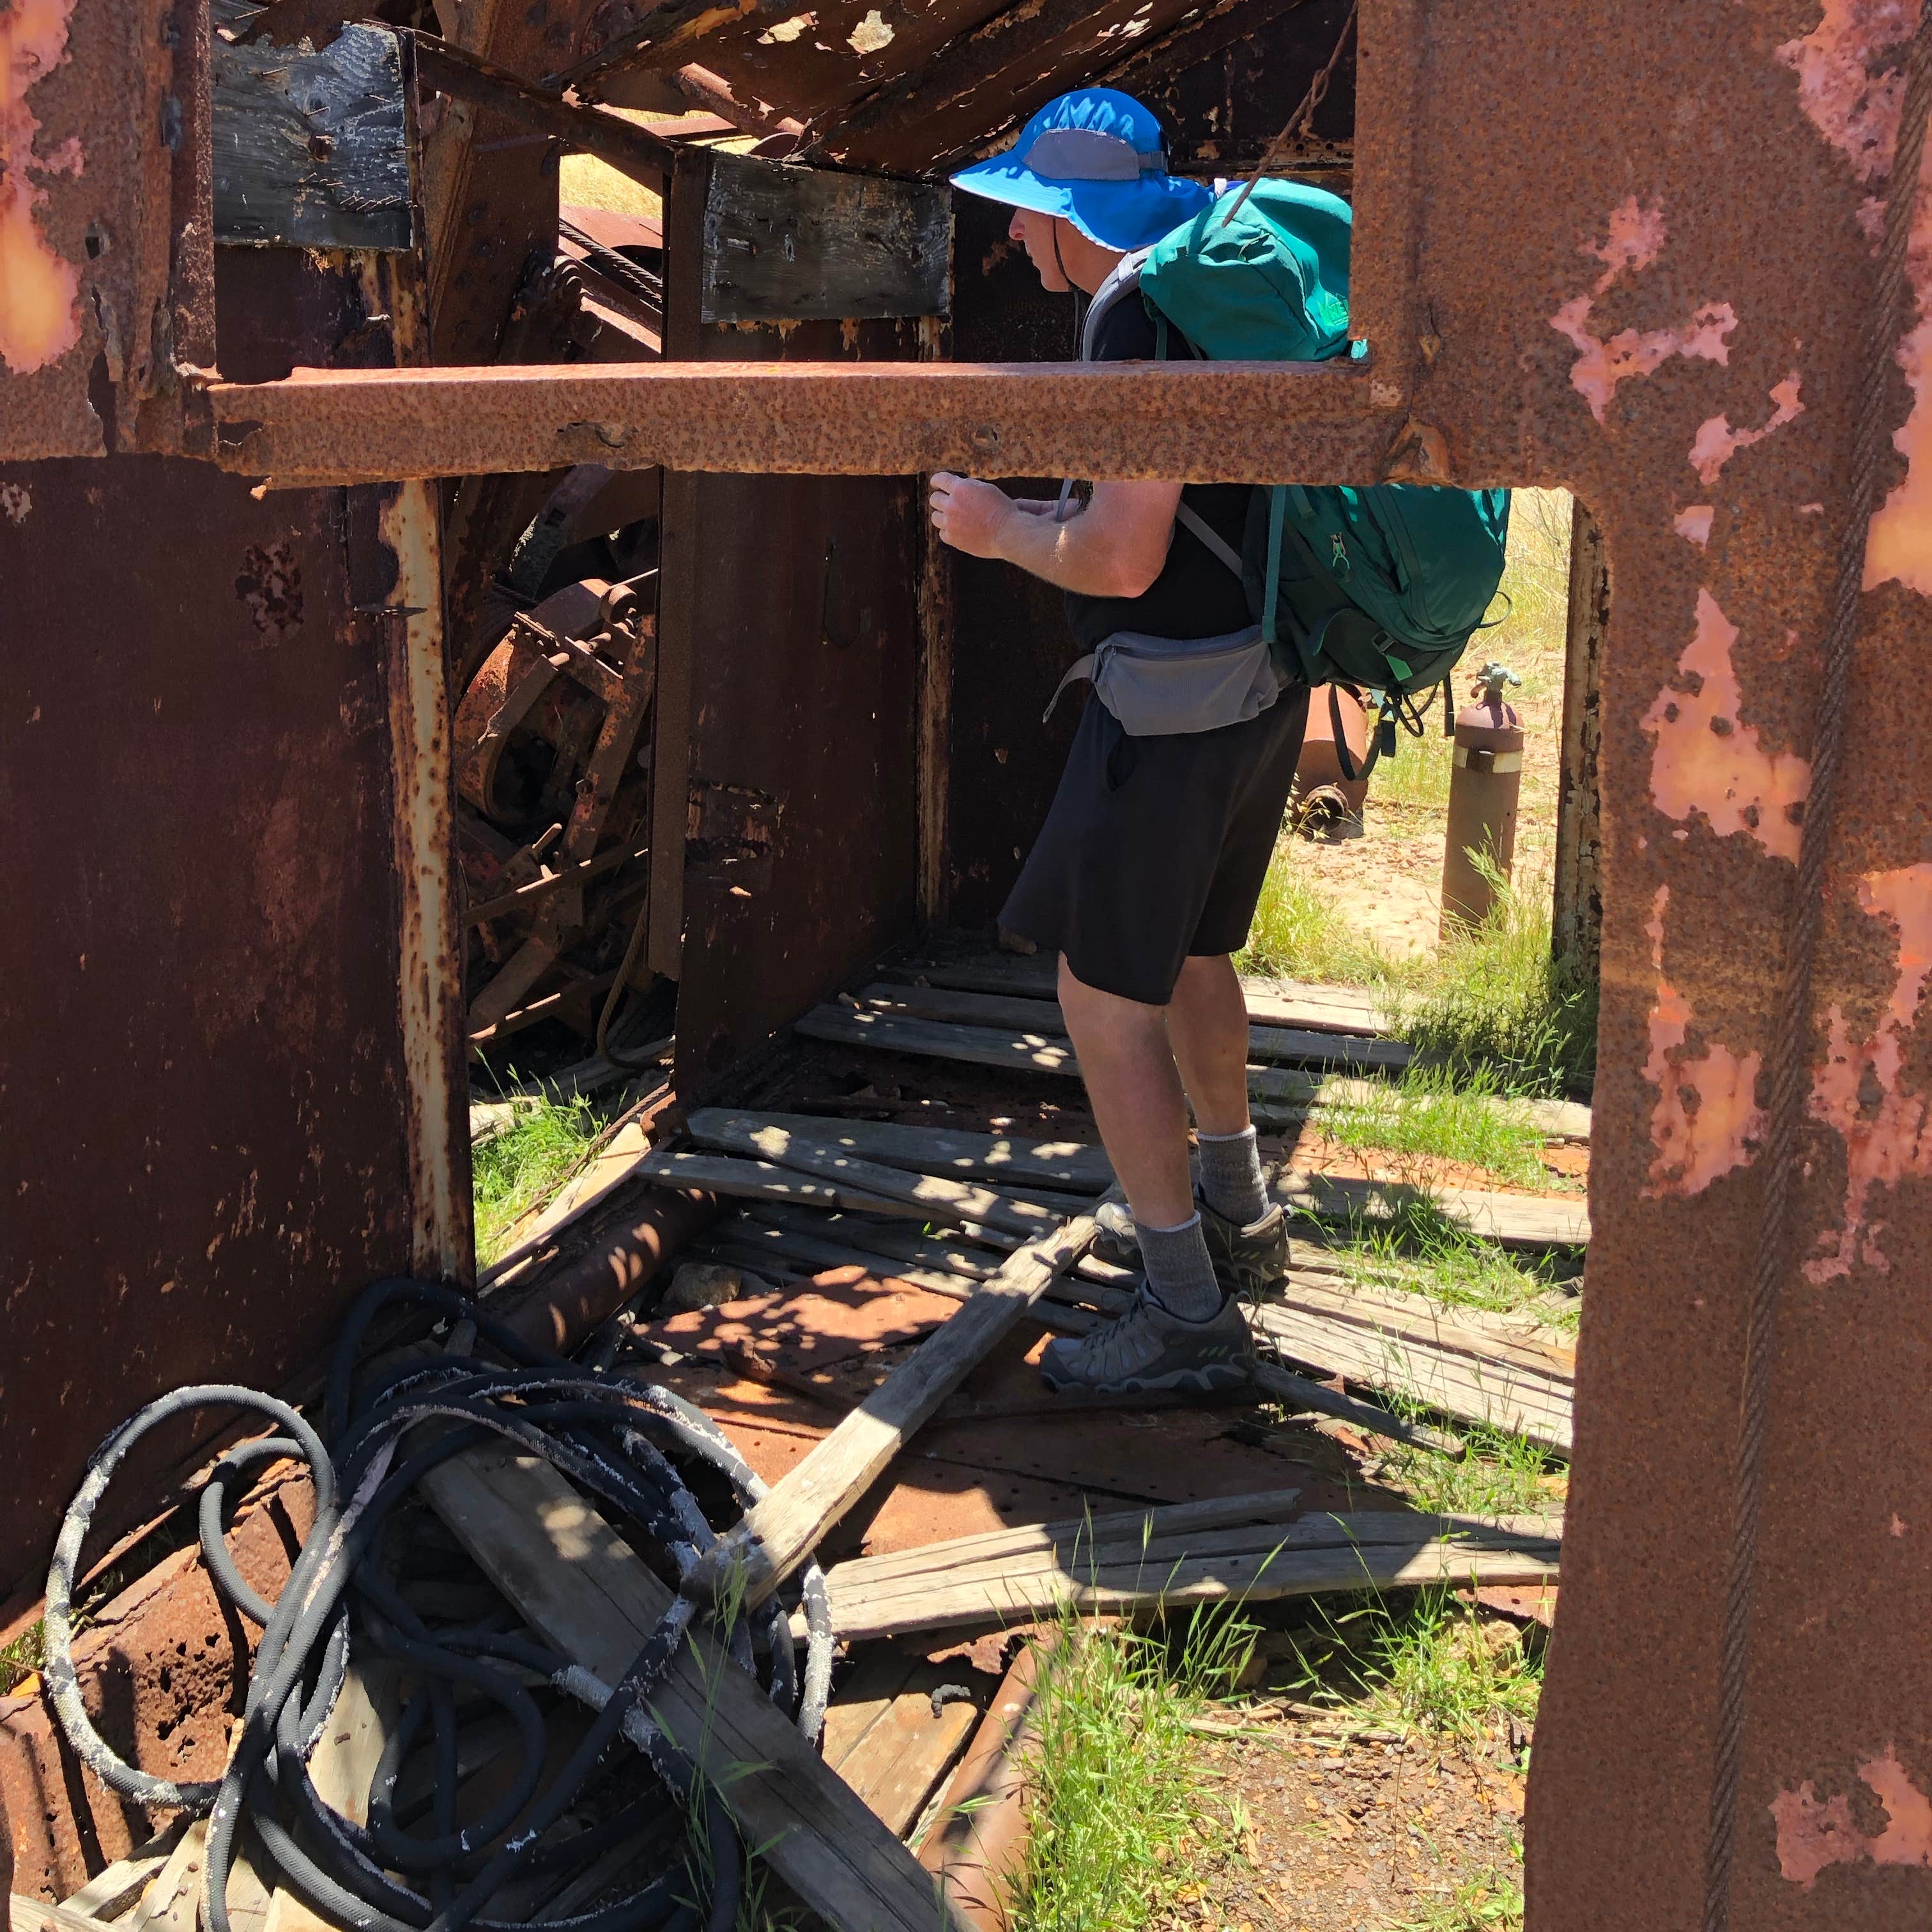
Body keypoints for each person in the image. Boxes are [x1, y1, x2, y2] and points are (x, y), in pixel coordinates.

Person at [930, 87, 1310, 1398]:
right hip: (1261, 674)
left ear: (1067, 220)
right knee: (1194, 955)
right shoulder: (1206, 285)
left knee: (1102, 1001)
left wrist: (1000, 530)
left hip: (1172, 704)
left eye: (1029, 216)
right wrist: (1066, 509)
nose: (1020, 243)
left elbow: (1120, 557)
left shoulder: (1129, 310)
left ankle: (1188, 1313)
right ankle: (1239, 1213)